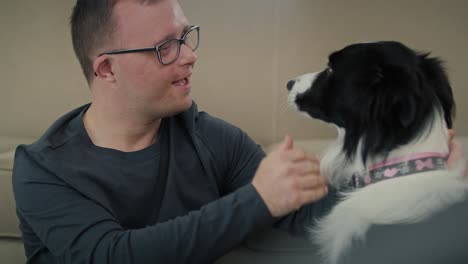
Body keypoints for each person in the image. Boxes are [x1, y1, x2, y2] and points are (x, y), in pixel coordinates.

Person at [12, 0, 333, 263]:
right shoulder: (42, 168)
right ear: (107, 69)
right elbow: (110, 256)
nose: (190, 56)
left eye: (185, 36)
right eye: (166, 46)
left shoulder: (217, 141)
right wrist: (257, 200)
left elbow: (310, 217)